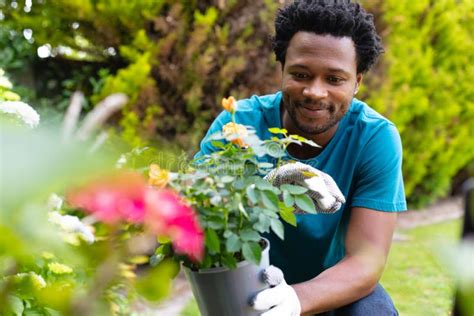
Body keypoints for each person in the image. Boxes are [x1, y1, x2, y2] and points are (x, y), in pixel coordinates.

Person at [196, 0, 406, 315]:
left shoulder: (375, 138)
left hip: (333, 287)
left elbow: (367, 260)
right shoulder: (237, 125)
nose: (314, 92)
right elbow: (194, 214)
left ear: (357, 82)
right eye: (301, 74)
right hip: (248, 283)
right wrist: (263, 190)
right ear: (282, 70)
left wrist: (296, 299)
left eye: (334, 79)